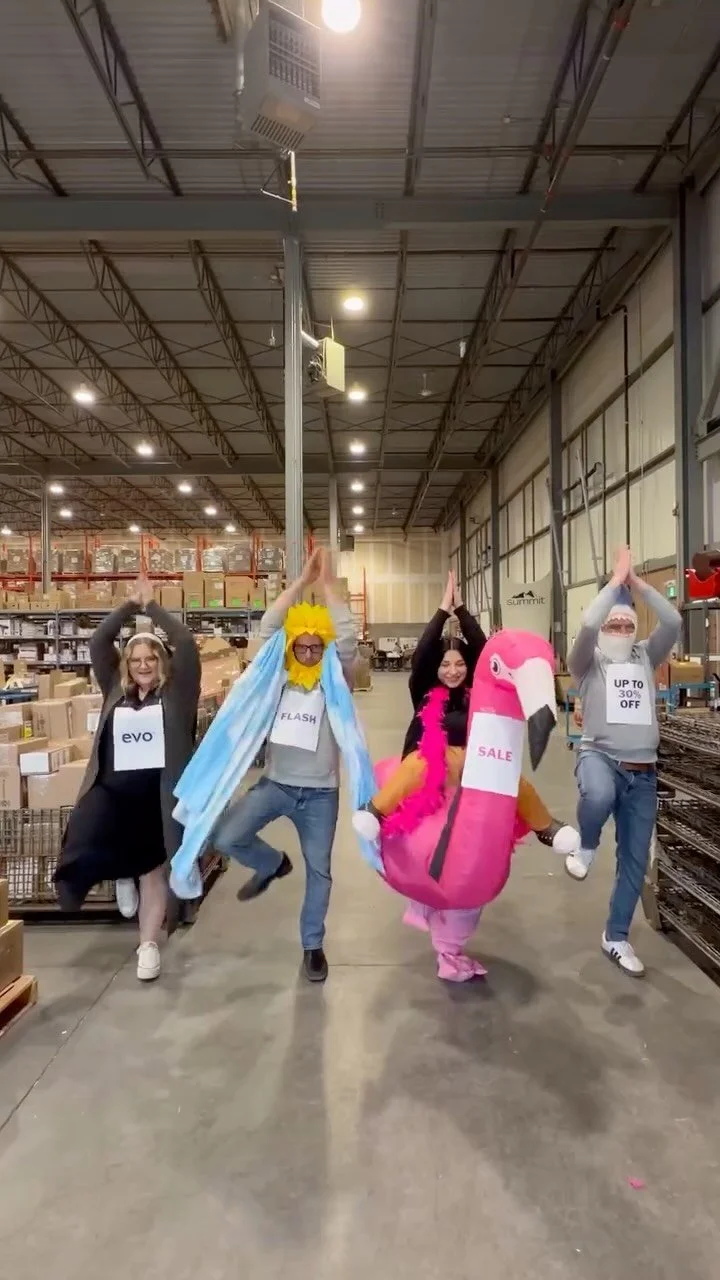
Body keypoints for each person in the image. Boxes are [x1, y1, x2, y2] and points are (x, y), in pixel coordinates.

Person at [211, 547, 357, 983]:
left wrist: (326, 585)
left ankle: (312, 946)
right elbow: (269, 626)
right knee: (226, 836)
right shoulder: (276, 676)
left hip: (321, 794)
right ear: (292, 646)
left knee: (321, 873)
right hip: (276, 784)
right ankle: (272, 863)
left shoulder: (336, 679)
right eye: (302, 646)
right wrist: (301, 581)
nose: (309, 653)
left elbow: (347, 638)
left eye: (316, 646)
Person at [353, 570, 577, 853]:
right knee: (419, 764)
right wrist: (442, 610)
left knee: (510, 776)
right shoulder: (423, 690)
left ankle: (545, 826)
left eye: (459, 664)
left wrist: (461, 609)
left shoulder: (478, 694)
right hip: (430, 766)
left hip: (473, 765)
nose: (453, 671)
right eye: (445, 665)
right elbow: (423, 653)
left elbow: (485, 650)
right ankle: (376, 810)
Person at [54, 573, 201, 982]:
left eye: (150, 658)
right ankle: (90, 880)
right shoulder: (114, 690)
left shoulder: (177, 693)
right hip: (111, 791)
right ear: (126, 665)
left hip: (155, 798)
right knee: (83, 827)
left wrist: (151, 607)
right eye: (135, 660)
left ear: (162, 661)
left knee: (152, 870)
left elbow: (185, 642)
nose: (143, 666)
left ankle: (148, 945)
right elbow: (99, 641)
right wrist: (129, 606)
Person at [566, 546, 682, 977]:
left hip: (643, 774)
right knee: (596, 795)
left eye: (627, 624)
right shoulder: (587, 662)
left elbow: (673, 622)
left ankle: (616, 937)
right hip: (600, 757)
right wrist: (614, 584)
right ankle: (587, 845)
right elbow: (586, 625)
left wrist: (639, 586)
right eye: (613, 623)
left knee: (635, 860)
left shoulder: (646, 656)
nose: (619, 628)